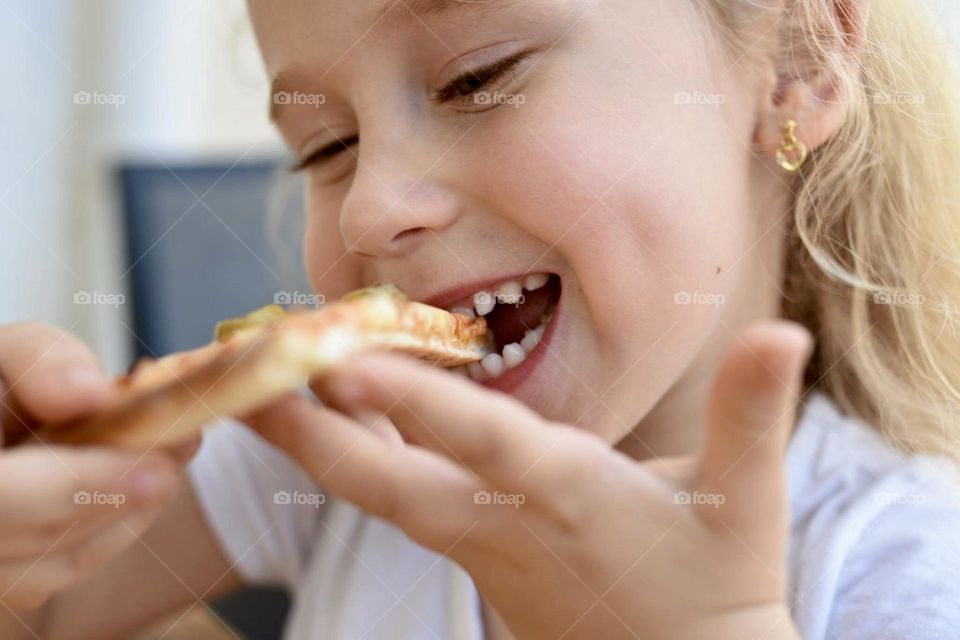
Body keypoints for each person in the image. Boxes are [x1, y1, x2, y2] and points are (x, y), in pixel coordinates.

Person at [1, 1, 959, 638]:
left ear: (795, 62)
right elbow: (46, 605)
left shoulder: (906, 565)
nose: (371, 206)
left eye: (476, 79)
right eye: (328, 146)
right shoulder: (341, 450)